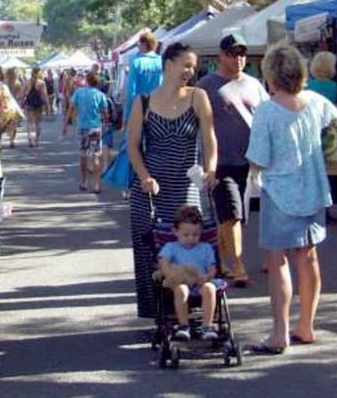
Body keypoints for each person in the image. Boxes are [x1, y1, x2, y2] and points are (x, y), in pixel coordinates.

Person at [245, 44, 337, 354]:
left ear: (271, 76)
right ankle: (307, 325)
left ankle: (279, 333)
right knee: (308, 256)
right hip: (313, 188)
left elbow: (259, 159)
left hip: (280, 192)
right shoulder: (316, 102)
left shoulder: (268, 111)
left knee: (278, 262)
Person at [126, 42, 219, 318]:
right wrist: (145, 177)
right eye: (186, 65)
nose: (190, 71)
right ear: (168, 65)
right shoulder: (143, 101)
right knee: (151, 248)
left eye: (193, 66)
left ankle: (195, 308)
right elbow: (132, 146)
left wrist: (210, 169)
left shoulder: (198, 96)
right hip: (152, 187)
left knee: (191, 242)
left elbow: (209, 138)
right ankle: (158, 312)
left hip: (186, 184)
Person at [196, 34, 267, 287]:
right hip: (219, 161)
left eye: (242, 54)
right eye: (232, 53)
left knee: (233, 216)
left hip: (248, 161)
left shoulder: (254, 84)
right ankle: (238, 265)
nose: (238, 58)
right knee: (232, 214)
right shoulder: (206, 85)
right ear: (221, 56)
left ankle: (220, 261)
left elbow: (266, 116)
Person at [102, 30, 163, 190]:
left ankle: (129, 183)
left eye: (138, 44)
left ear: (143, 44)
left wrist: (127, 116)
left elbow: (131, 91)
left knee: (131, 147)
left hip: (140, 108)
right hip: (159, 108)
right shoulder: (160, 62)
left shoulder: (136, 62)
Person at [158, 205, 221, 342]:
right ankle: (184, 325)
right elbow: (163, 263)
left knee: (210, 288)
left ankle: (207, 326)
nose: (191, 238)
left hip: (200, 281)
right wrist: (170, 276)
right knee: (181, 289)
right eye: (186, 235)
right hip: (180, 281)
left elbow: (212, 267)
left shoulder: (206, 248)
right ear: (176, 232)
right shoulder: (171, 247)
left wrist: (207, 277)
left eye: (195, 235)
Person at [308, 52, 337, 208]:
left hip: (310, 131)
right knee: (331, 170)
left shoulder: (307, 85)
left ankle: (316, 204)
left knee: (313, 170)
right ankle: (330, 202)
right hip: (332, 133)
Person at [63, 73, 111, 192]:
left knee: (83, 155)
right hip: (95, 127)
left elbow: (71, 108)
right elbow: (105, 112)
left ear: (87, 81)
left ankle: (84, 182)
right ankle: (96, 184)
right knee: (96, 155)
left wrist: (65, 124)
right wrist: (106, 122)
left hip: (82, 127)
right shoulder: (100, 95)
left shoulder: (79, 92)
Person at [19, 67, 49, 147]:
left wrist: (21, 102)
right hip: (38, 104)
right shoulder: (41, 83)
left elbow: (22, 94)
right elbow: (44, 95)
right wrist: (47, 105)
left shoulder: (27, 82)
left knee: (29, 123)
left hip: (29, 104)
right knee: (37, 123)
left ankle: (30, 140)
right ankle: (36, 141)